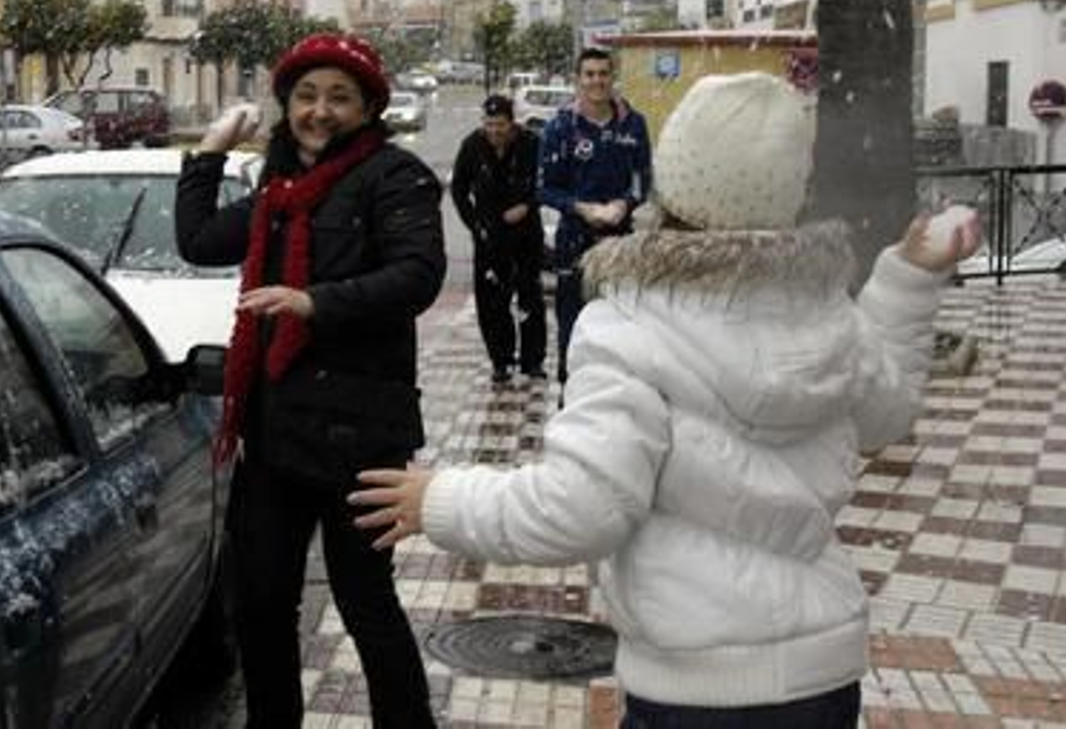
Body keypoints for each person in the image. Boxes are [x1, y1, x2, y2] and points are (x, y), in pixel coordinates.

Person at [348, 72, 983, 727]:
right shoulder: (826, 313)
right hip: (822, 677)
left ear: (671, 181)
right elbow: (888, 412)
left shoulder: (631, 325)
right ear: (792, 193)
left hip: (693, 689)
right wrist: (908, 279)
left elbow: (582, 509)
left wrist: (444, 499)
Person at [175, 31, 445, 728]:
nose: (318, 111)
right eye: (305, 96)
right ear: (287, 103)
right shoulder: (278, 190)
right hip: (276, 434)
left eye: (338, 97)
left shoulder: (396, 176)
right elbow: (200, 241)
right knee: (261, 602)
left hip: (363, 436)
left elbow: (418, 275)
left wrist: (315, 303)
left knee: (364, 602)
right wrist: (207, 153)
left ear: (367, 107)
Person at [538, 46, 652, 386]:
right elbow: (544, 188)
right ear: (578, 79)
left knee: (620, 317)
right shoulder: (560, 127)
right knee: (571, 319)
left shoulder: (634, 124)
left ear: (612, 76)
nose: (597, 81)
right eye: (589, 74)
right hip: (574, 238)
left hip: (620, 239)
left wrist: (625, 203)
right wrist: (580, 207)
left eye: (603, 74)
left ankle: (616, 389)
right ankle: (570, 389)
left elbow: (643, 179)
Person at [450, 93, 546, 384]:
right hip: (489, 237)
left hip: (526, 233)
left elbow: (546, 181)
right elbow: (458, 189)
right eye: (489, 124)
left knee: (530, 296)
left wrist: (527, 205)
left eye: (500, 125)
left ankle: (532, 361)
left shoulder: (531, 143)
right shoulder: (473, 145)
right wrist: (475, 224)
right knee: (492, 301)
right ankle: (501, 360)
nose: (494, 131)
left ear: (511, 123)